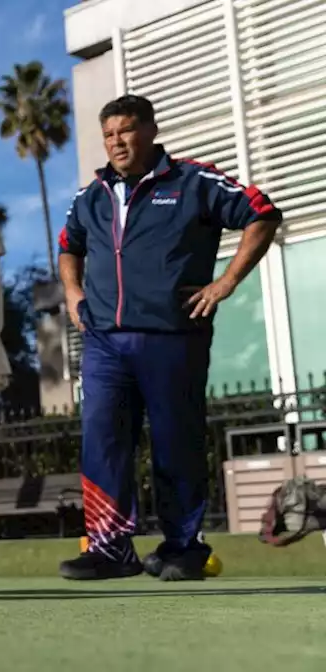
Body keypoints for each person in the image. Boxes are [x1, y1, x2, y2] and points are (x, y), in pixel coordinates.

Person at [56, 95, 281, 581]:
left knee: (176, 442)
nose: (117, 141)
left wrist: (225, 283)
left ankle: (183, 547)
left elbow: (261, 214)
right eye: (109, 134)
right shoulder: (89, 196)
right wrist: (73, 293)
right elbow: (68, 246)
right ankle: (110, 547)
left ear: (152, 130)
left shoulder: (194, 181)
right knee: (102, 437)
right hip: (103, 341)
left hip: (173, 337)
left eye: (127, 130)